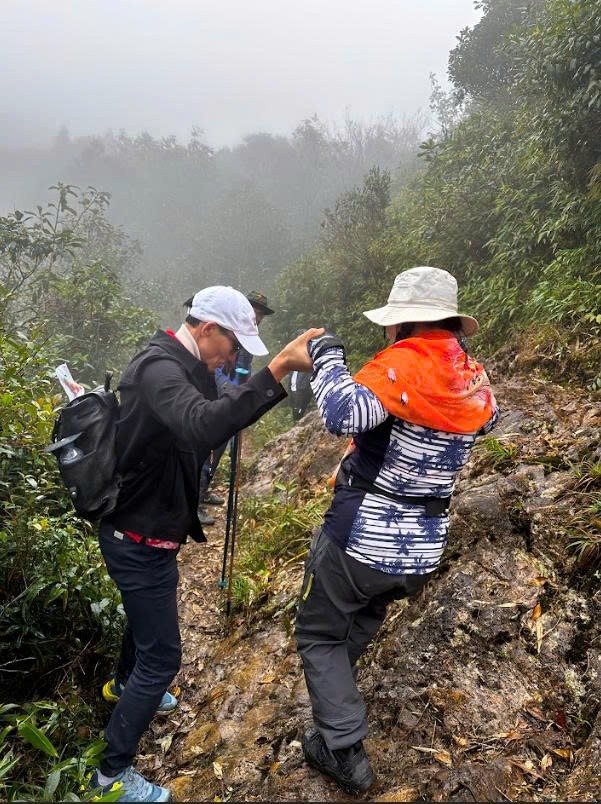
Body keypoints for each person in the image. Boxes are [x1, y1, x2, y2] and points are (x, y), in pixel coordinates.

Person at [91, 285, 320, 802]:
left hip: (148, 532)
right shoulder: (159, 369)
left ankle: (122, 687)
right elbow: (200, 426)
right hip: (137, 537)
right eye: (235, 345)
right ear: (207, 328)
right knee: (163, 658)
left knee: (145, 625)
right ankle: (109, 775)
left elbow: (212, 418)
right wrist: (278, 368)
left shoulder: (186, 365)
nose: (235, 357)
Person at [295, 266, 499, 795]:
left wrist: (327, 356)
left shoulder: (402, 366)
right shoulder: (469, 373)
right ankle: (338, 698)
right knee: (363, 615)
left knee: (318, 632)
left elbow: (344, 414)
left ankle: (342, 749)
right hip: (422, 547)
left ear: (403, 323)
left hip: (362, 536)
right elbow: (490, 418)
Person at [197, 291, 275, 525]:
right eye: (255, 312)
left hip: (234, 395)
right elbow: (219, 370)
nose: (258, 318)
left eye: (261, 314)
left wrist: (244, 394)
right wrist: (232, 396)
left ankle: (204, 490)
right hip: (221, 396)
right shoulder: (229, 332)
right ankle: (194, 502)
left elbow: (244, 369)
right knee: (206, 449)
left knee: (219, 449)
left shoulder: (249, 336)